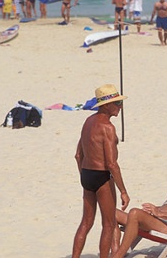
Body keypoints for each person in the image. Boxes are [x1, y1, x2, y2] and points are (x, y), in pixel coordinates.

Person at [72, 84, 131, 258]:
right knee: (109, 223)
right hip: (101, 176)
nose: (120, 107)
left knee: (86, 223)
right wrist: (123, 191)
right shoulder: (108, 128)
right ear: (106, 105)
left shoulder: (88, 122)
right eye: (117, 104)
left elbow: (77, 155)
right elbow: (112, 164)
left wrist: (84, 176)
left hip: (87, 174)